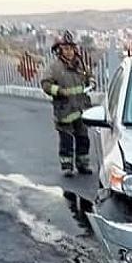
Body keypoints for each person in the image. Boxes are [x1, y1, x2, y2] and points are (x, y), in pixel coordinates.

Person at [41, 31, 92, 175]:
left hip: (81, 109)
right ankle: (67, 166)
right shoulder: (54, 68)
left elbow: (89, 76)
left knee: (83, 138)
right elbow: (45, 84)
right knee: (66, 140)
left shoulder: (80, 64)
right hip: (64, 110)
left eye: (71, 48)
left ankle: (83, 164)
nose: (69, 51)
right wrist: (59, 91)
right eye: (66, 48)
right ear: (59, 50)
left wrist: (92, 81)